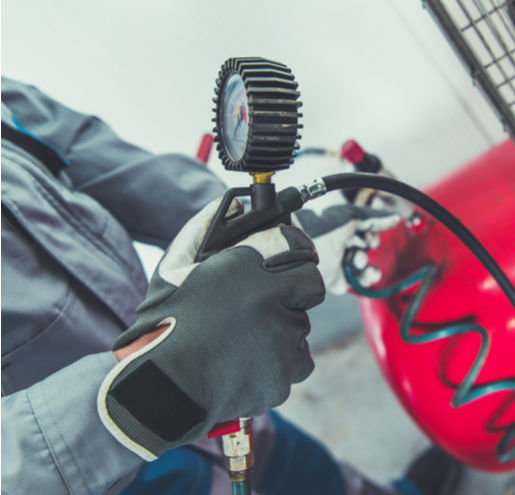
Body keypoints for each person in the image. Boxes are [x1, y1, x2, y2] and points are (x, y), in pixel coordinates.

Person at [0, 77, 462, 495]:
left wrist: (273, 234)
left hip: (202, 349)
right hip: (96, 461)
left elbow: (95, 156)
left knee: (300, 467)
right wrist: (152, 386)